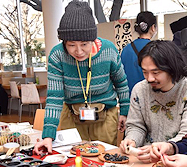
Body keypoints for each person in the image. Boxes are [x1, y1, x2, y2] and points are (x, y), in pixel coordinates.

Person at [34, 0, 130, 154]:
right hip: (72, 115)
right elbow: (54, 97)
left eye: (84, 44)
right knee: (74, 160)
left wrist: (125, 111)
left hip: (105, 115)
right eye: (71, 45)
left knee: (103, 159)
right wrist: (48, 135)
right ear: (64, 41)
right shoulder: (57, 55)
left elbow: (121, 83)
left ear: (92, 39)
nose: (78, 51)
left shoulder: (109, 50)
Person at [120, 40, 187, 161]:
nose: (149, 78)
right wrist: (132, 140)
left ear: (171, 68)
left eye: (156, 72)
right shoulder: (140, 89)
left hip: (177, 159)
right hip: (144, 158)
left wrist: (164, 148)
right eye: (145, 72)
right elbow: (136, 126)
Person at [121, 11, 157, 95]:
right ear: (153, 27)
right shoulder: (155, 49)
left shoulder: (126, 50)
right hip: (151, 99)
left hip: (131, 100)